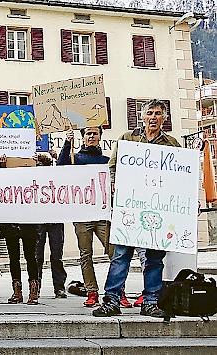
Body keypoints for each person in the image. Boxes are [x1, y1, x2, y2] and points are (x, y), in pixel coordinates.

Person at [94, 99, 181, 318]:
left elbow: (181, 177)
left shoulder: (172, 145)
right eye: (150, 113)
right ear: (142, 116)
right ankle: (112, 300)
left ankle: (151, 302)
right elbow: (112, 167)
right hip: (129, 209)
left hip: (158, 212)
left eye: (158, 113)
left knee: (153, 258)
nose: (153, 117)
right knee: (120, 255)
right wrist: (114, 183)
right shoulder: (127, 139)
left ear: (164, 118)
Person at [57, 126, 113, 307]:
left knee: (114, 252)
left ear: (99, 137)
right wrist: (67, 142)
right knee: (85, 254)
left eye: (94, 133)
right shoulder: (76, 158)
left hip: (103, 214)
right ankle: (92, 292)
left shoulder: (106, 160)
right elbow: (60, 166)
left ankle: (116, 291)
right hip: (82, 215)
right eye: (88, 133)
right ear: (83, 137)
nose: (91, 136)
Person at [0, 156, 40, 305]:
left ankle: (33, 290)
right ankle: (17, 291)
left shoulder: (32, 171)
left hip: (28, 220)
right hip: (10, 220)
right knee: (13, 257)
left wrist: (37, 162)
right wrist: (2, 165)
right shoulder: (6, 173)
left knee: (30, 256)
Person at [35, 152, 68, 299]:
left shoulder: (56, 175)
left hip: (55, 219)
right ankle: (36, 286)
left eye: (43, 165)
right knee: (37, 256)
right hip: (38, 220)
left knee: (57, 255)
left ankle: (59, 287)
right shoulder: (32, 177)